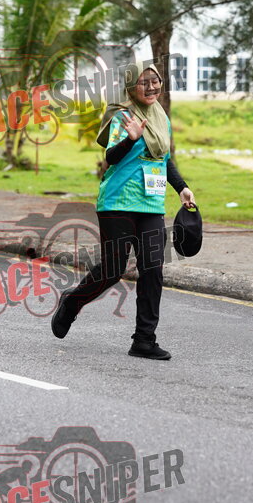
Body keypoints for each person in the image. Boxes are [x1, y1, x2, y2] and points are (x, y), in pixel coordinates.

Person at [51, 60, 196, 360]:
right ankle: (72, 302)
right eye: (144, 82)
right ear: (131, 86)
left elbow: (163, 158)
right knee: (113, 270)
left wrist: (181, 187)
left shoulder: (161, 117)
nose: (152, 87)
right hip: (118, 202)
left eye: (156, 81)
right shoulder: (122, 115)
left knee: (153, 269)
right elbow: (111, 156)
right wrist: (130, 139)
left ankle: (144, 340)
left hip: (151, 204)